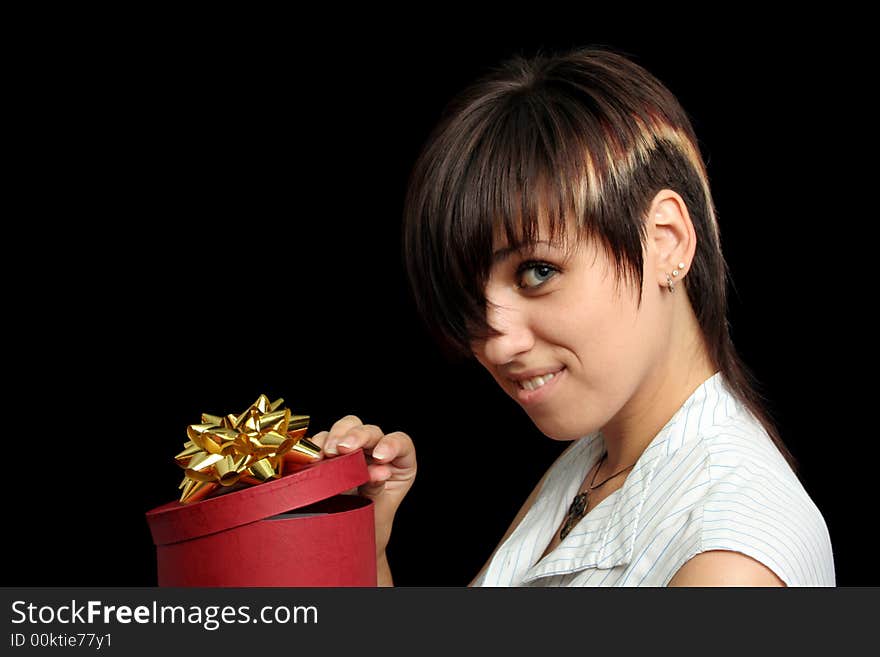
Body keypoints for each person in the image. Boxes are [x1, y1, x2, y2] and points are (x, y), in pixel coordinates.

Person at [309, 45, 835, 586]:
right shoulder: (597, 463)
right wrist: (357, 550)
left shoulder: (728, 563)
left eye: (537, 271)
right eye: (470, 298)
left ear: (666, 241)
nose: (495, 345)